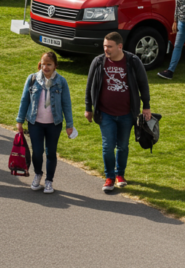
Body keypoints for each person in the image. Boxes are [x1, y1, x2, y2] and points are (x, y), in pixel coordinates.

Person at [85, 32, 151, 191]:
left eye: (109, 46)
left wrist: (146, 105)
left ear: (119, 47)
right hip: (105, 113)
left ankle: (120, 174)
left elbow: (143, 84)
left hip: (127, 114)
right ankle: (109, 177)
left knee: (122, 146)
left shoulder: (133, 61)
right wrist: (88, 108)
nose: (106, 49)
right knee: (108, 146)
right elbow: (89, 86)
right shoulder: (98, 62)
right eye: (104, 46)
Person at [16, 52, 74, 194]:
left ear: (55, 65)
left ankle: (49, 181)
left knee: (51, 152)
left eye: (49, 64)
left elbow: (67, 104)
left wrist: (69, 124)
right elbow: (25, 100)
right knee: (37, 152)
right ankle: (37, 174)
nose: (46, 67)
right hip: (35, 123)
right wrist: (20, 120)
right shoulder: (32, 79)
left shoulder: (61, 81)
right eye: (43, 64)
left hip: (54, 124)